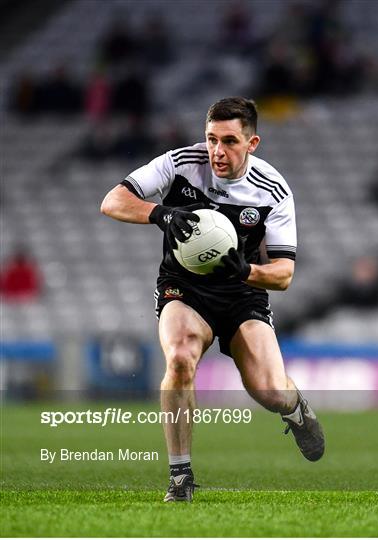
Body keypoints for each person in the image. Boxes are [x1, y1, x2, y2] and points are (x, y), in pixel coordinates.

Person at [100, 97, 324, 502]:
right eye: (211, 139)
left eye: (230, 141)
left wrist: (245, 271)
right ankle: (180, 476)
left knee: (269, 391)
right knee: (180, 358)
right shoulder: (181, 162)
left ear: (252, 143)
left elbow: (284, 275)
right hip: (184, 287)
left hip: (242, 292)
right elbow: (112, 201)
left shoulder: (273, 190)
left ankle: (295, 409)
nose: (217, 152)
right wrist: (161, 214)